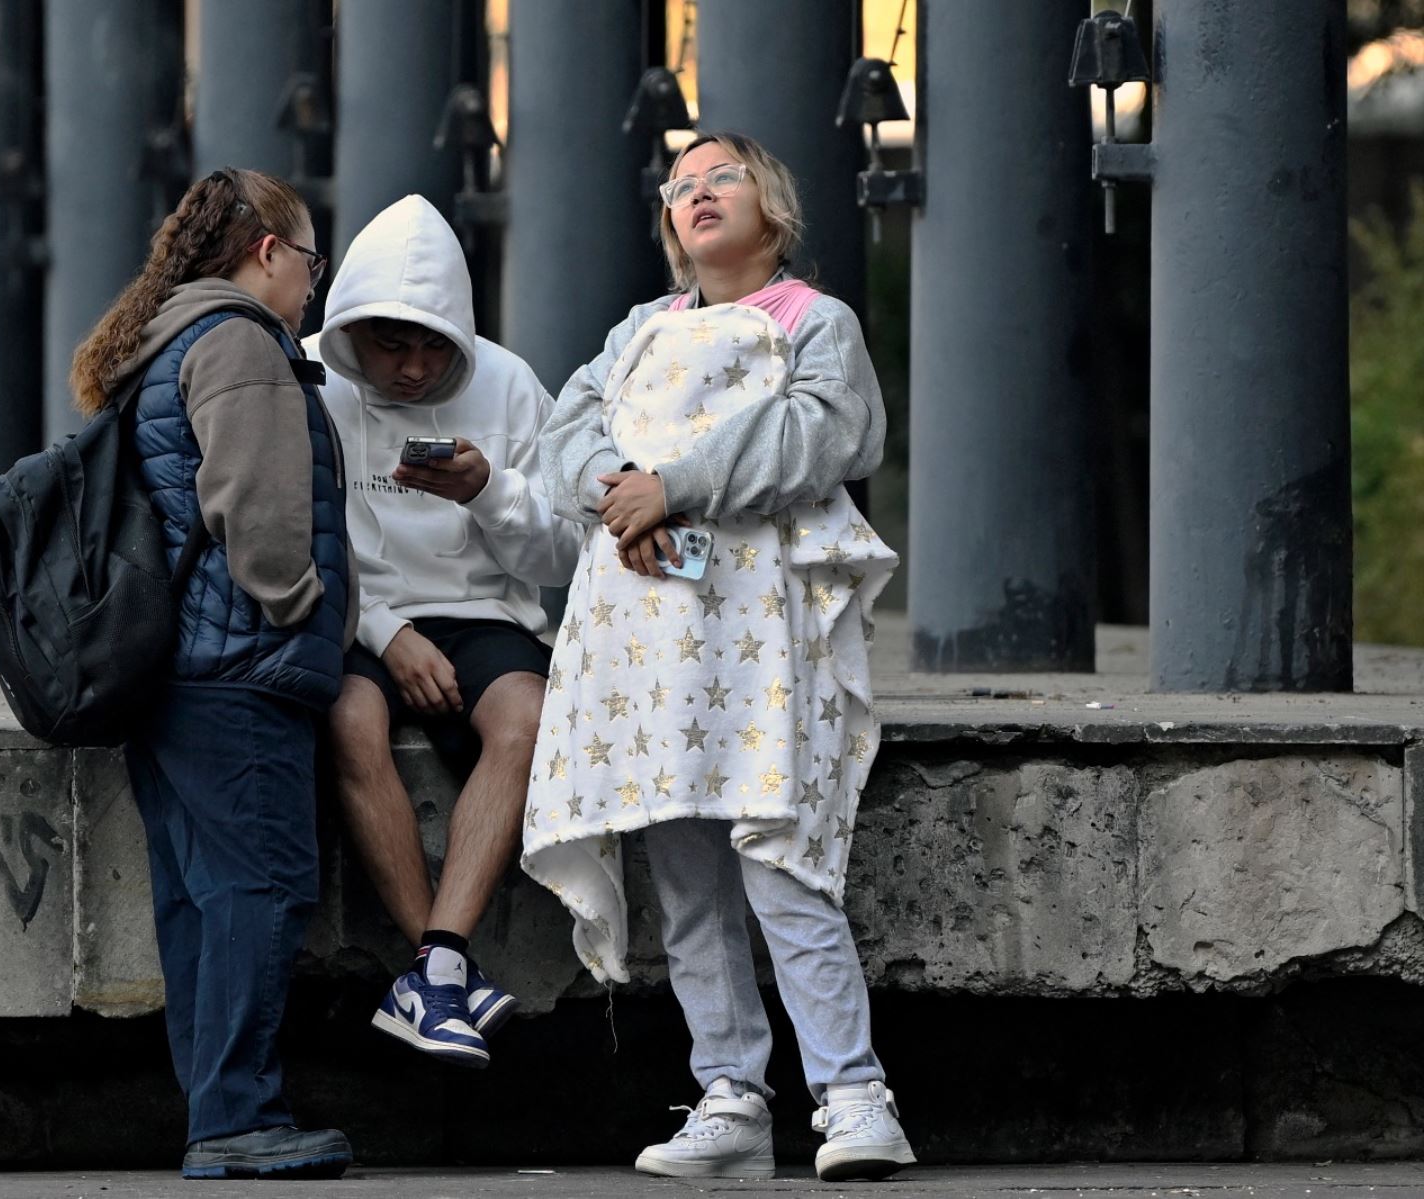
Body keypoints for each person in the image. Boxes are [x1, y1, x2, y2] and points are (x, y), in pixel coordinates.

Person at [523, 132, 916, 1183]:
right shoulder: (638, 331)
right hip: (650, 640)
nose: (696, 193)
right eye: (680, 186)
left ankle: (853, 1091)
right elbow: (567, 431)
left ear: (774, 209)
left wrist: (676, 483)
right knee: (686, 873)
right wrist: (622, 489)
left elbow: (827, 433)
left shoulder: (814, 322)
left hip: (760, 636)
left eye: (720, 177)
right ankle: (730, 1095)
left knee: (781, 854)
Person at [67, 168, 355, 1181]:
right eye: (312, 260)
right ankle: (238, 1116)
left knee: (199, 896)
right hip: (238, 665)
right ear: (267, 250)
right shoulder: (237, 339)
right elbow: (257, 511)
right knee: (261, 885)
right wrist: (300, 606)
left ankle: (218, 1114)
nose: (315, 286)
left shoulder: (162, 336)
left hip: (174, 669)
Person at [305, 195, 581, 1067]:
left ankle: (437, 963)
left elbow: (567, 547)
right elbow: (298, 539)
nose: (416, 370)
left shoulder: (506, 381)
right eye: (393, 346)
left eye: (435, 347)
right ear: (353, 331)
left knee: (530, 719)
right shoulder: (309, 379)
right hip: (356, 614)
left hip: (483, 612)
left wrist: (487, 492)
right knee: (349, 715)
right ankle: (446, 974)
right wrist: (386, 633)